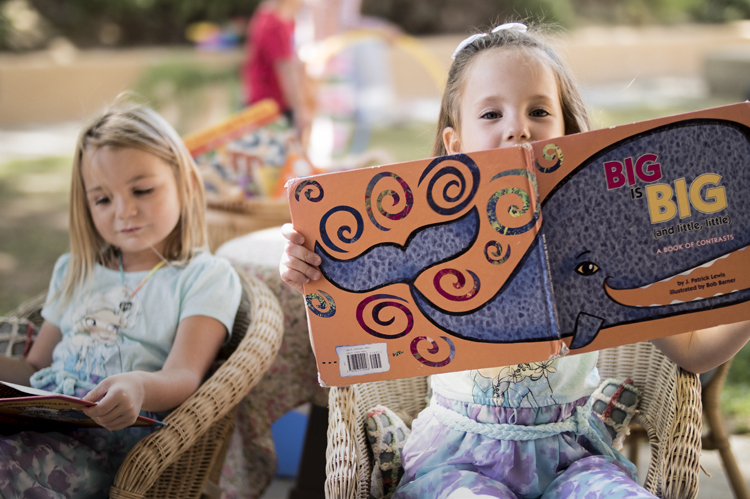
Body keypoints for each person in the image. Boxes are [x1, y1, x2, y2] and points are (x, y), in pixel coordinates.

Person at [279, 21, 750, 498]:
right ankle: (398, 451)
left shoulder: (603, 240)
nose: (517, 127)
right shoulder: (435, 234)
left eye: (539, 110)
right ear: (454, 145)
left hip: (574, 456)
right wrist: (314, 267)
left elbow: (694, 352)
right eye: (491, 114)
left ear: (567, 131)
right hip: (457, 459)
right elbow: (364, 297)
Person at [0, 97, 243, 498]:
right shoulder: (75, 270)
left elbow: (185, 374)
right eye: (103, 199)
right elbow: (35, 368)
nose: (124, 211)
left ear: (184, 182)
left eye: (142, 189)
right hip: (39, 425)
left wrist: (139, 387)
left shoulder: (204, 276)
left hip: (109, 442)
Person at [243, 0, 313, 146]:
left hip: (271, 103)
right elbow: (286, 70)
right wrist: (300, 109)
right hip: (271, 108)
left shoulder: (279, 19)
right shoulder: (274, 24)